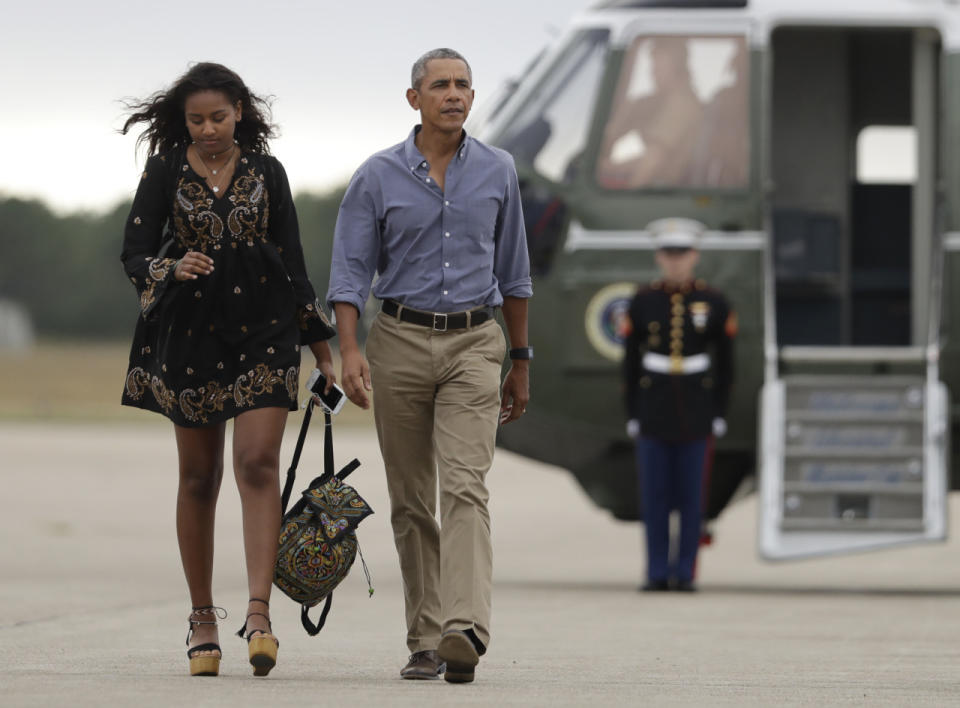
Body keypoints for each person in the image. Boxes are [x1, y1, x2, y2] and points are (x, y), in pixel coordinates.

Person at [119, 62, 337, 677]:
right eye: (196, 119)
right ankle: (202, 618)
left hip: (266, 329)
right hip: (188, 332)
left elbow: (294, 262)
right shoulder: (164, 169)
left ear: (240, 110)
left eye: (218, 116)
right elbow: (133, 251)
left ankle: (260, 615)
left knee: (257, 462)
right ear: (181, 121)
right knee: (199, 478)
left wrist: (322, 350)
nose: (209, 128)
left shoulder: (269, 171)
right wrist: (169, 268)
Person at [327, 48, 532, 684]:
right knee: (411, 497)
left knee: (465, 484)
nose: (454, 94)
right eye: (440, 84)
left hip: (476, 340)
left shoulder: (499, 170)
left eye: (463, 84)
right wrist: (350, 349)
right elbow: (351, 271)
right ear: (413, 98)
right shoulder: (376, 176)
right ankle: (424, 636)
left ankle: (464, 629)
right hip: (399, 341)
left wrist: (520, 360)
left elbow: (516, 273)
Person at [623, 219, 735, 592]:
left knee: (691, 498)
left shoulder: (714, 301)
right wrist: (633, 413)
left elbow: (727, 362)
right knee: (654, 497)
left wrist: (718, 412)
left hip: (697, 409)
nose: (675, 261)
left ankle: (685, 572)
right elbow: (629, 361)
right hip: (654, 408)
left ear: (695, 256)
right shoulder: (643, 300)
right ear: (659, 257)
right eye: (669, 254)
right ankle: (656, 572)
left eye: (682, 253)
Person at [597, 37, 704, 189]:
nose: (652, 73)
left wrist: (627, 198)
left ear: (676, 67)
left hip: (664, 189)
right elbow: (652, 158)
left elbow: (653, 160)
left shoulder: (682, 104)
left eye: (657, 67)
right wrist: (612, 168)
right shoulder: (668, 101)